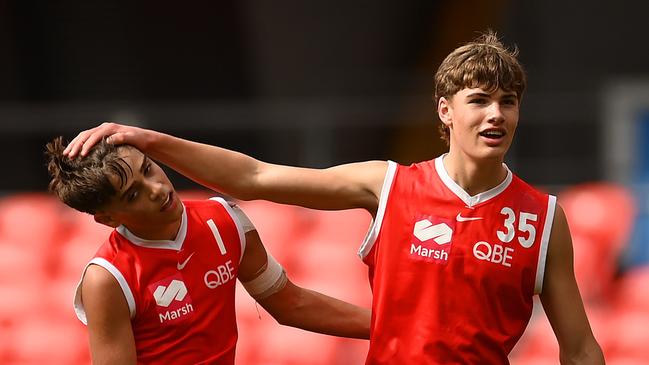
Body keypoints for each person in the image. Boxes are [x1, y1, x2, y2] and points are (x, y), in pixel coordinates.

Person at [64, 31, 605, 364]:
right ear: (445, 110)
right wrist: (150, 139)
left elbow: (579, 349)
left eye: (508, 102)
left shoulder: (543, 217)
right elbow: (255, 177)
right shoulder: (388, 184)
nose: (496, 114)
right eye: (480, 100)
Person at [45, 136, 370, 365]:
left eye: (147, 169)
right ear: (108, 218)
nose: (157, 190)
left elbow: (291, 304)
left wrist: (392, 323)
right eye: (133, 196)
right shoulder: (108, 279)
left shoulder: (225, 220)